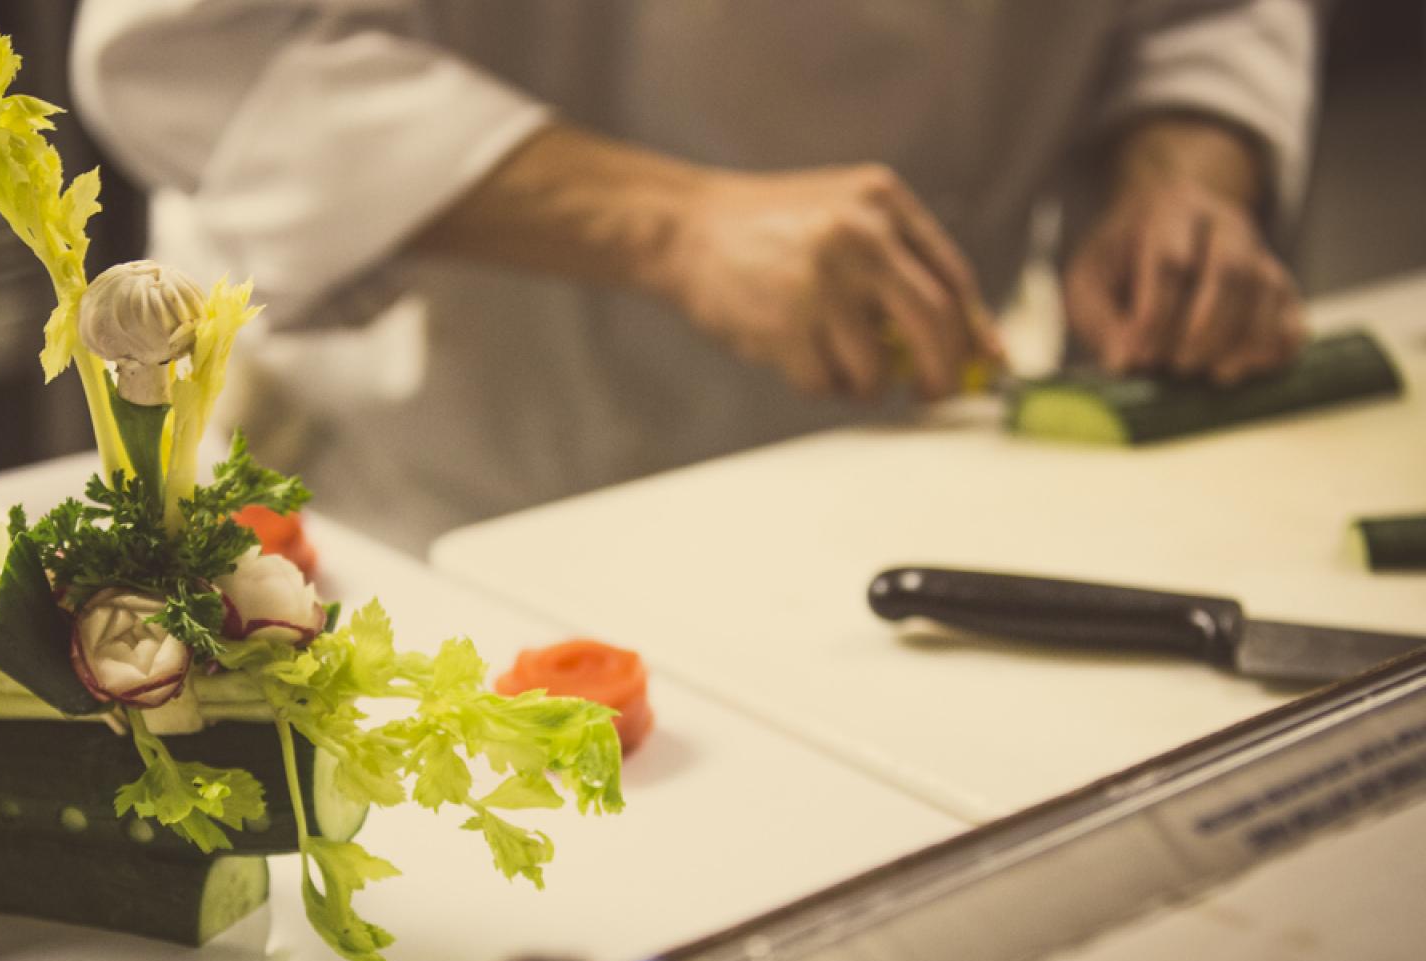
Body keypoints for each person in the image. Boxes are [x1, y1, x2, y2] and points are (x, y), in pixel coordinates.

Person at [70, 1, 1318, 551]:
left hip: (922, 452)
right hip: (455, 483)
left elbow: (1202, 16)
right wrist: (675, 223)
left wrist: (1185, 163)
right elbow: (201, 56)